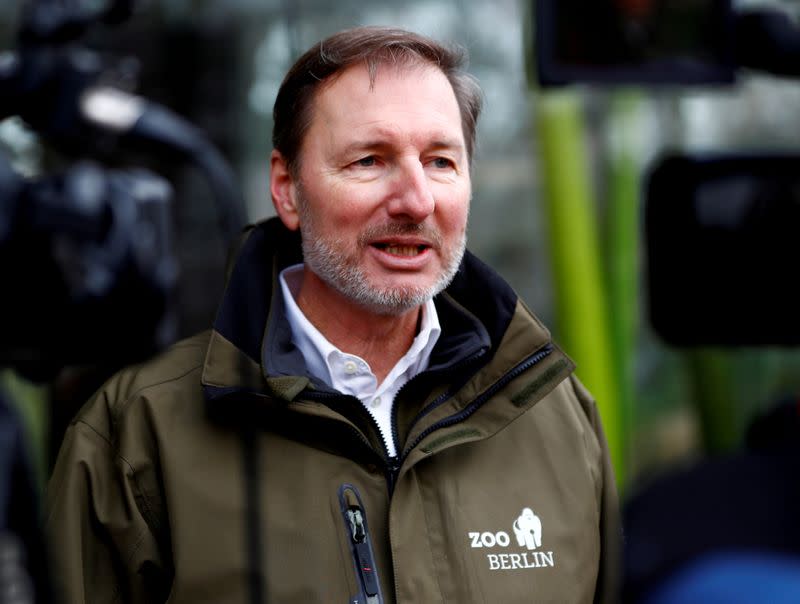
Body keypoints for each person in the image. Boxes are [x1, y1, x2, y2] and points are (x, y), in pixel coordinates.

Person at [45, 26, 620, 603]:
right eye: (370, 160)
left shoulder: (557, 417)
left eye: (441, 161)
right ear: (287, 189)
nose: (417, 200)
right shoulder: (137, 436)